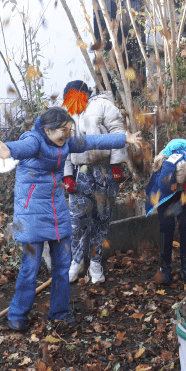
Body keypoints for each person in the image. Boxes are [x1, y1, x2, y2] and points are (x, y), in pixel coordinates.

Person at [0, 107, 142, 332]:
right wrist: (8, 149)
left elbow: (91, 141)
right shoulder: (34, 140)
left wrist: (123, 138)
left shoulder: (66, 143)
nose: (67, 135)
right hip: (31, 215)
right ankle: (17, 314)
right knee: (29, 268)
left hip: (57, 210)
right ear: (48, 130)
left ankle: (59, 312)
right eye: (62, 131)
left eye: (69, 130)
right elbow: (24, 147)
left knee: (62, 266)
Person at [61, 80, 129, 284]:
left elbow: (118, 133)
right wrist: (67, 175)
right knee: (77, 222)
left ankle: (96, 262)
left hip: (104, 171)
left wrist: (116, 164)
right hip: (80, 172)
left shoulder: (104, 105)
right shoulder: (69, 112)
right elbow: (62, 144)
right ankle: (77, 261)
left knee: (101, 219)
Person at [145, 139, 186, 285]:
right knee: (166, 228)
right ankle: (165, 268)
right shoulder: (163, 160)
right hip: (165, 197)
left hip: (185, 195)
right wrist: (169, 165)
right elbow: (163, 186)